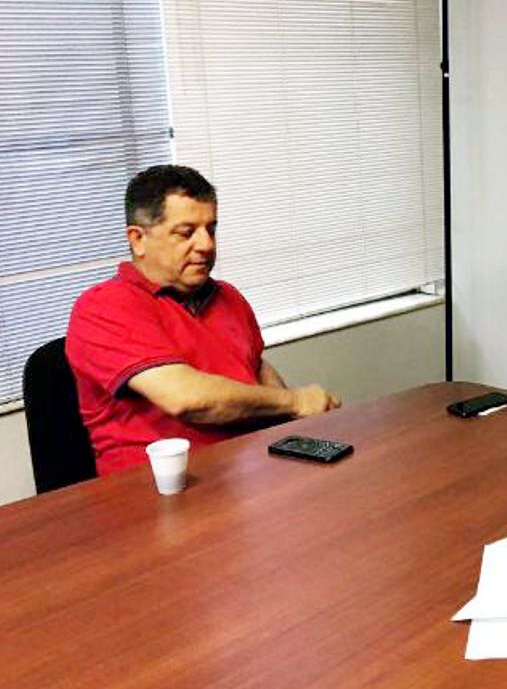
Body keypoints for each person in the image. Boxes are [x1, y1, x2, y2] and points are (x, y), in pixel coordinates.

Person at [66, 165, 340, 475]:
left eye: (211, 229)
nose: (206, 244)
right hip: (157, 488)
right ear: (138, 239)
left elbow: (256, 370)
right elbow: (186, 399)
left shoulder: (228, 297)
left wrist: (294, 422)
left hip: (244, 475)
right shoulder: (104, 306)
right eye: (186, 233)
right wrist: (294, 401)